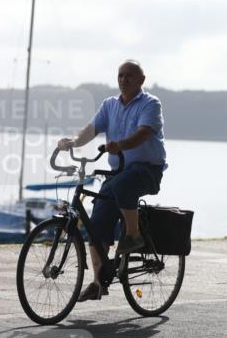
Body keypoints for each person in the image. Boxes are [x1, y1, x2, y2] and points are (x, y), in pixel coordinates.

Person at [57, 60, 167, 302]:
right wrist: (72, 141)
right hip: (119, 172)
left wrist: (121, 144)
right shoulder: (109, 105)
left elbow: (143, 133)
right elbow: (91, 129)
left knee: (123, 184)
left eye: (129, 76)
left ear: (141, 80)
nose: (123, 80)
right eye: (120, 75)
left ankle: (134, 235)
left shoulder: (150, 104)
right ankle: (98, 283)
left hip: (147, 170)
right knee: (96, 224)